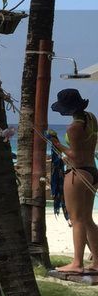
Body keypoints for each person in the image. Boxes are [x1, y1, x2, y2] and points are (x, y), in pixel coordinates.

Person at [49, 88, 98, 274]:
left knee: (77, 220)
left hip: (78, 173)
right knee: (87, 219)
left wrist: (57, 143)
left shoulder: (73, 127)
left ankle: (77, 263)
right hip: (92, 171)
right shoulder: (91, 118)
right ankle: (97, 261)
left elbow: (74, 156)